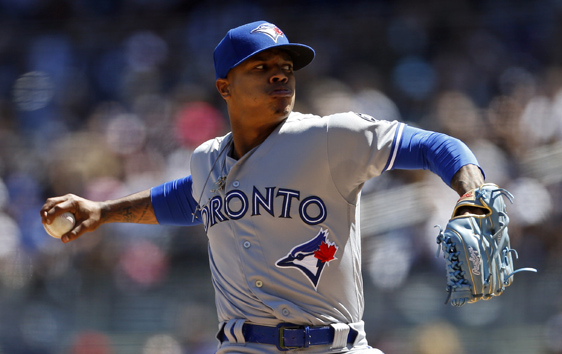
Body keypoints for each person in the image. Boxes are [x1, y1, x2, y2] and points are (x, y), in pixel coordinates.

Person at [41, 21, 485, 353]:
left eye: (286, 67)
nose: (280, 75)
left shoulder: (330, 137)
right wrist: (104, 211)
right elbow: (188, 196)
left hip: (336, 346)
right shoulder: (206, 159)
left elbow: (434, 145)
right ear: (224, 87)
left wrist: (472, 193)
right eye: (262, 66)